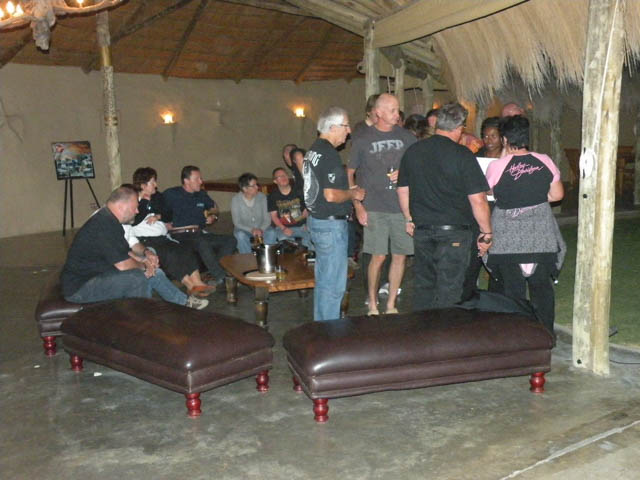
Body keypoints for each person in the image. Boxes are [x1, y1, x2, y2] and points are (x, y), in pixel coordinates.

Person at [397, 102, 493, 311]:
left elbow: (403, 189)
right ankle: (445, 329)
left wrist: (408, 218)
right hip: (454, 233)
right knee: (449, 290)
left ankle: (423, 328)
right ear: (459, 128)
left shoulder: (413, 151)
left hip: (423, 230)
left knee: (424, 287)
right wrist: (486, 232)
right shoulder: (462, 155)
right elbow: (478, 199)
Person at [60, 185, 208, 309]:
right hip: (81, 287)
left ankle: (183, 302)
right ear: (122, 206)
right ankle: (141, 321)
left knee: (151, 271)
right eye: (135, 207)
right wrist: (144, 266)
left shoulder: (111, 220)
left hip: (99, 273)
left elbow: (125, 252)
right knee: (137, 277)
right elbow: (123, 265)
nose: (137, 211)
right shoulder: (103, 225)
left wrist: (145, 260)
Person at [484, 115, 565, 336]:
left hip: (508, 242)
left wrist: (504, 154)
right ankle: (545, 337)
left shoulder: (496, 166)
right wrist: (534, 200)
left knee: (513, 295)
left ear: (504, 139)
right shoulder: (545, 160)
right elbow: (557, 195)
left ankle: (517, 338)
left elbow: (490, 192)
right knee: (542, 292)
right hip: (540, 238)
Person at [348, 93, 416, 315]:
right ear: (378, 112)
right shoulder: (362, 139)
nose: (397, 114)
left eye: (397, 110)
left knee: (400, 255)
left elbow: (418, 167)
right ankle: (373, 302)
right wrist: (358, 205)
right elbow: (350, 173)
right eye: (392, 110)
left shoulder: (407, 138)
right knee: (378, 256)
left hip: (401, 207)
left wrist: (405, 172)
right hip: (374, 206)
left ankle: (391, 304)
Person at [303, 106, 365, 321]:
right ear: (333, 127)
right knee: (334, 286)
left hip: (318, 222)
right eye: (346, 126)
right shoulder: (328, 154)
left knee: (324, 282)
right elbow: (330, 195)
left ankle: (321, 327)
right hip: (330, 226)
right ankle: (328, 332)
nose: (349, 131)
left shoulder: (313, 151)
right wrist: (353, 193)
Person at [131, 167, 214, 297]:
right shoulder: (134, 200)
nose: (156, 185)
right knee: (170, 254)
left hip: (163, 237)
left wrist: (158, 216)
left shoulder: (157, 197)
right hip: (146, 240)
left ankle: (198, 282)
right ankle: (191, 286)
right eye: (152, 182)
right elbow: (135, 220)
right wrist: (146, 202)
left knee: (184, 249)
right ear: (143, 185)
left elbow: (169, 214)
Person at [163, 166, 237, 286]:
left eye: (201, 178)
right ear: (186, 181)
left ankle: (215, 272)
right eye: (197, 179)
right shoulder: (172, 194)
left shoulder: (201, 194)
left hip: (198, 233)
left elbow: (214, 208)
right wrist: (162, 222)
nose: (201, 181)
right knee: (202, 242)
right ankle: (221, 277)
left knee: (230, 240)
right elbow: (158, 208)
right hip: (181, 235)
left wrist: (213, 216)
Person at [265, 167, 312, 249]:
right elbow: (274, 217)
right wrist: (284, 228)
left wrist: (307, 223)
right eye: (280, 177)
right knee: (286, 241)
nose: (283, 177)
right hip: (283, 227)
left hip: (301, 227)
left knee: (310, 241)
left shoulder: (299, 191)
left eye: (285, 175)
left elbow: (308, 211)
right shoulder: (273, 196)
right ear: (275, 181)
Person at [231, 172, 271, 253]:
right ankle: (248, 258)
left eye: (257, 184)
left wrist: (261, 229)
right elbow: (237, 222)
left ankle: (267, 256)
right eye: (254, 185)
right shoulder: (235, 200)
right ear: (245, 189)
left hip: (261, 228)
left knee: (272, 232)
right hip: (244, 229)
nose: (257, 187)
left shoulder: (262, 197)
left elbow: (267, 219)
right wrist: (251, 230)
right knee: (240, 235)